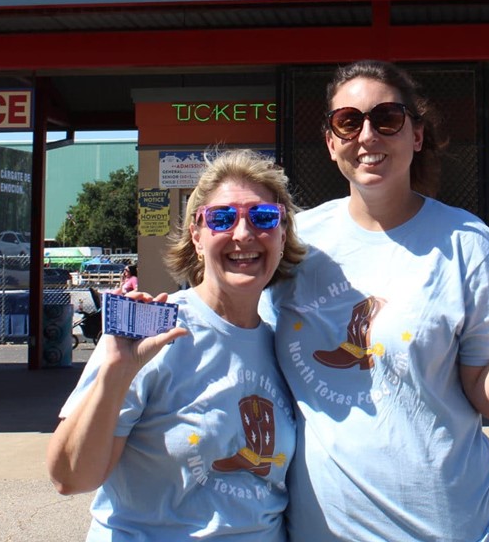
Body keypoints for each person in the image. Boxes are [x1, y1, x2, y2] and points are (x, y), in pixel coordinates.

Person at [265, 60, 489, 541]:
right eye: (348, 121)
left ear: (417, 135)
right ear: (330, 141)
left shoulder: (467, 242)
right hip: (320, 529)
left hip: (445, 523)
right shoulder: (295, 242)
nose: (367, 136)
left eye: (387, 118)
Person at [47, 149, 307, 540]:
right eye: (221, 218)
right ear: (197, 237)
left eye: (263, 217)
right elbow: (70, 477)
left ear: (282, 236)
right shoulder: (153, 328)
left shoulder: (284, 341)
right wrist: (117, 374)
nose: (243, 234)